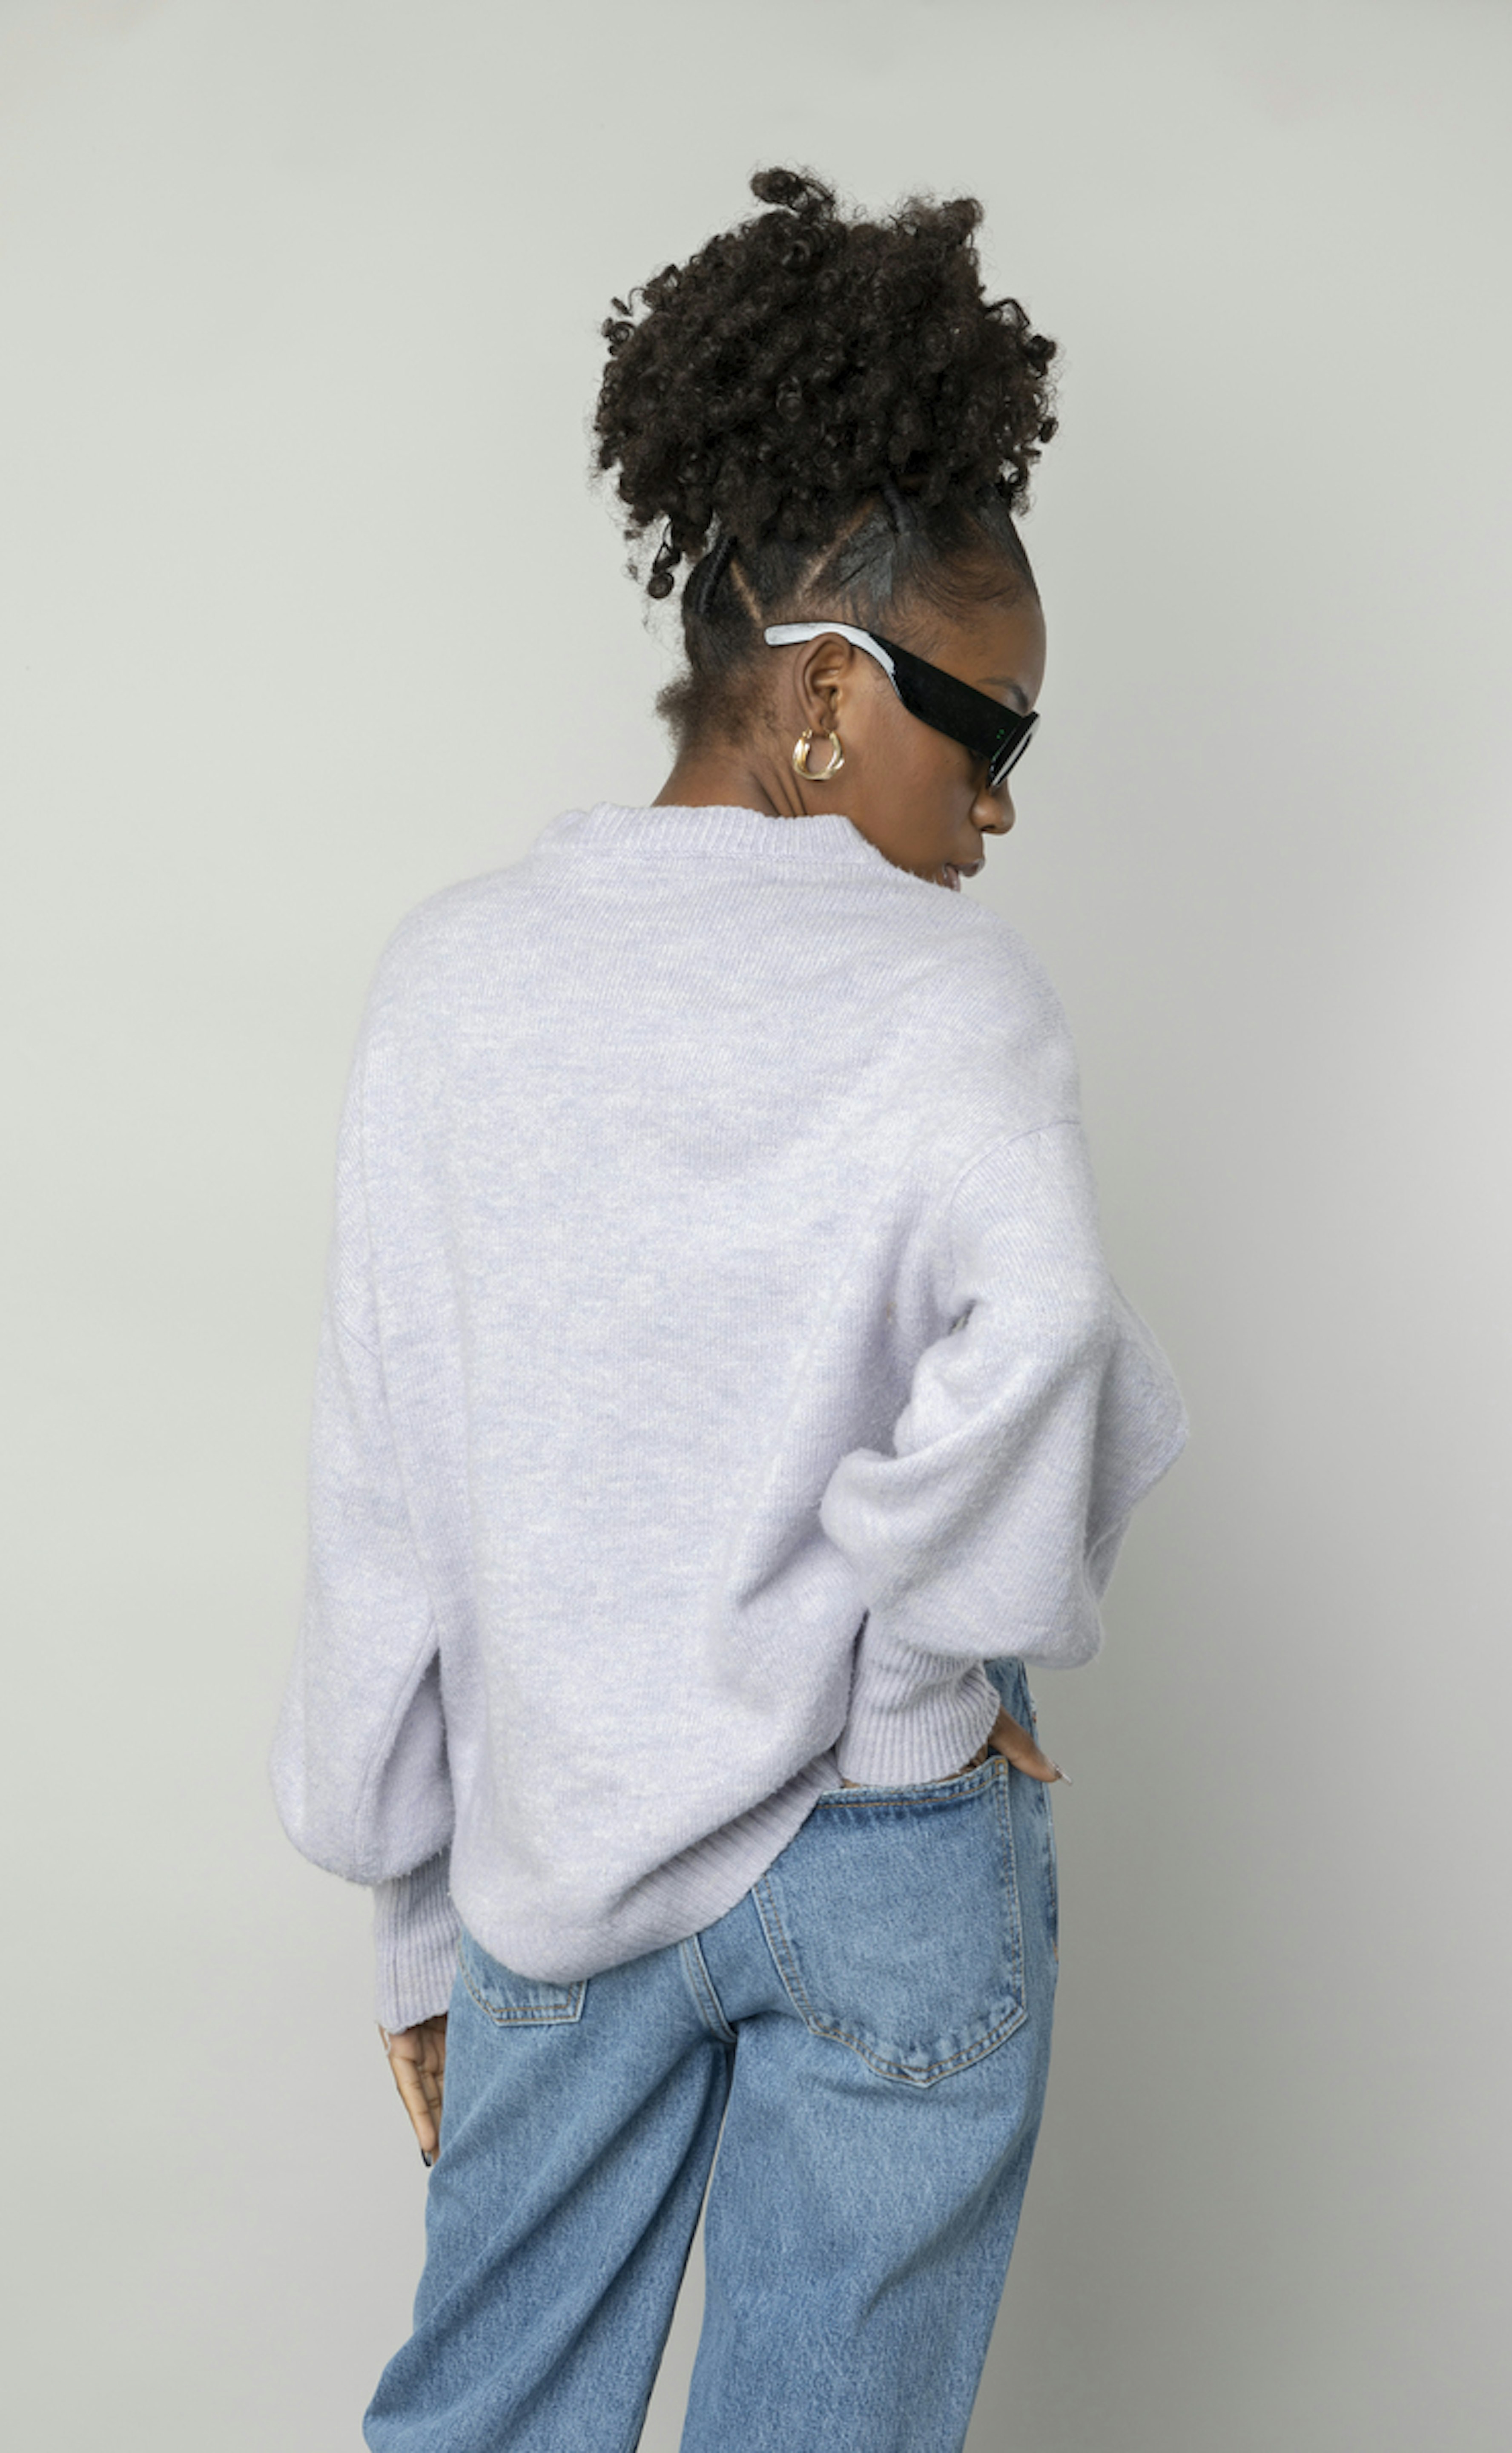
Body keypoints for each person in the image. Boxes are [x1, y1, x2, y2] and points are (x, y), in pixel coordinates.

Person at [270, 164, 1187, 2453]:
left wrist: (417, 1924)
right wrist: (918, 1701)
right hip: (885, 1869)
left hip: (554, 1865)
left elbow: (388, 1488)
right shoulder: (953, 1000)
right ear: (827, 694)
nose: (998, 812)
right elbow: (1047, 1339)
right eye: (988, 734)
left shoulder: (452, 985)